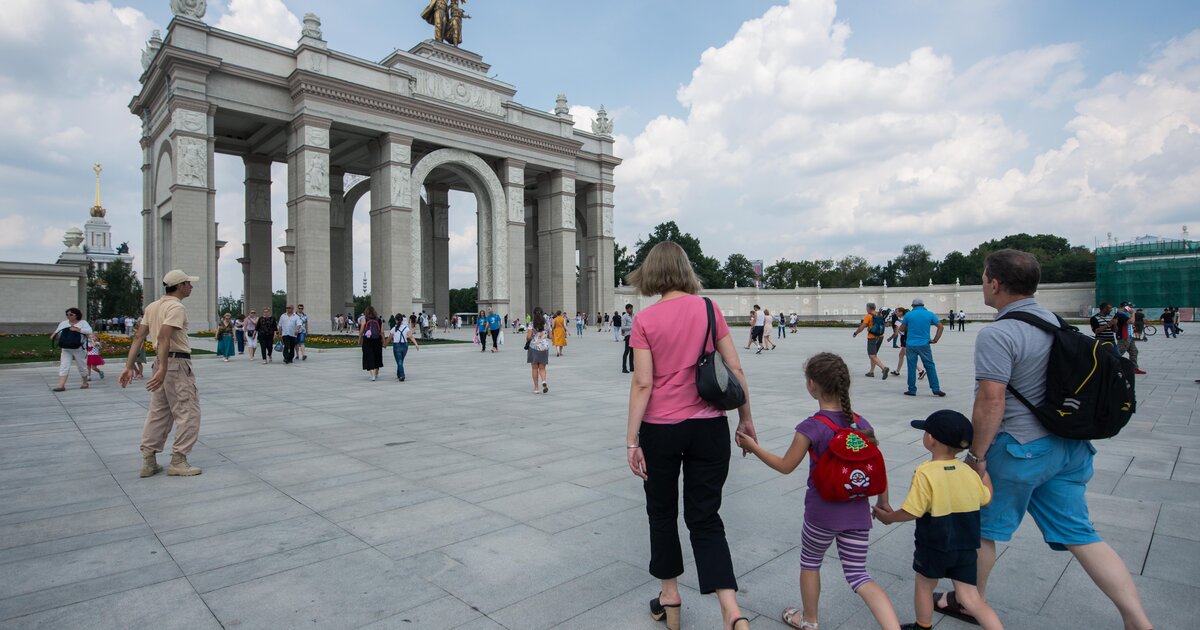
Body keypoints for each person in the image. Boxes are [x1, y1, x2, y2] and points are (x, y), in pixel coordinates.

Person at [962, 249, 1152, 629]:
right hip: (1068, 448)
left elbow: (991, 400)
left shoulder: (998, 333)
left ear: (995, 284)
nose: (983, 283)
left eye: (984, 277)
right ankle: (1138, 621)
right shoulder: (1055, 322)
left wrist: (977, 457)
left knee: (982, 530)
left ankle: (973, 604)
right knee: (1082, 534)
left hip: (1019, 450)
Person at [624, 241, 757, 630]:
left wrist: (632, 441)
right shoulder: (708, 308)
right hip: (709, 427)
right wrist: (745, 420)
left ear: (650, 274)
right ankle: (732, 611)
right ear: (686, 269)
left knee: (661, 513)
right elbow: (735, 369)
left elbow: (643, 383)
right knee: (706, 516)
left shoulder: (645, 320)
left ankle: (670, 597)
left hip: (661, 431)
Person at [736, 352, 901, 630]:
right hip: (857, 515)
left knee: (811, 563)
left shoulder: (812, 427)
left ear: (811, 385)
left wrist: (753, 447)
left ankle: (810, 621)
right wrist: (883, 503)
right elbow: (877, 468)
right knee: (860, 576)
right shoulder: (863, 425)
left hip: (820, 514)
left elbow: (785, 466)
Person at [873, 411, 1002, 630]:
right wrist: (983, 472)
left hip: (934, 545)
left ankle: (922, 626)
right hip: (967, 546)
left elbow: (912, 510)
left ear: (931, 439)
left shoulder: (926, 472)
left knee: (925, 585)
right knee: (971, 598)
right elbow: (987, 498)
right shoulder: (968, 472)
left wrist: (889, 518)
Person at [119, 269, 203, 477]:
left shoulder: (152, 307)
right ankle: (179, 460)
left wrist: (128, 366)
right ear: (180, 286)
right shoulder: (176, 307)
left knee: (159, 413)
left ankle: (149, 460)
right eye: (189, 283)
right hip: (175, 364)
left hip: (161, 362)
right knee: (188, 412)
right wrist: (164, 368)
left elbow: (139, 337)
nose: (191, 286)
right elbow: (165, 337)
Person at [899, 298, 945, 397]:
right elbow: (940, 326)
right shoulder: (929, 314)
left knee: (911, 367)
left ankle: (912, 390)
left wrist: (909, 327)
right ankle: (935, 389)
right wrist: (935, 339)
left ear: (912, 306)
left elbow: (901, 329)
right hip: (924, 344)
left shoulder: (908, 315)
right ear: (923, 305)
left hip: (911, 344)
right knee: (930, 366)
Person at [51, 307, 92, 392]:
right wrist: (54, 336)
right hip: (66, 348)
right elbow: (57, 332)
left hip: (79, 348)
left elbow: (89, 331)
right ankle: (61, 385)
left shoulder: (83, 323)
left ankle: (85, 382)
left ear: (76, 315)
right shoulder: (64, 323)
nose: (68, 316)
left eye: (70, 314)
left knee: (82, 366)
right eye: (67, 314)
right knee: (64, 365)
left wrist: (78, 329)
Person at [852, 302, 890, 380]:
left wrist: (856, 333)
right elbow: (887, 324)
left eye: (866, 307)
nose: (866, 309)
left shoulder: (868, 316)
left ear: (869, 308)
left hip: (872, 337)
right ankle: (871, 372)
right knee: (874, 355)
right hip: (880, 337)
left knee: (872, 355)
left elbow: (862, 326)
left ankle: (884, 368)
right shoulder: (880, 314)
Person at [1114, 302, 1146, 374]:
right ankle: (1111, 367)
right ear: (1125, 307)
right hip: (1124, 337)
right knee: (1119, 353)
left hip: (1129, 336)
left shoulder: (1124, 314)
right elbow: (1131, 321)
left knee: (1134, 351)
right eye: (1130, 307)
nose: (1131, 308)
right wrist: (1132, 313)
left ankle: (1134, 368)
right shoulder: (1120, 314)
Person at [527, 306, 551, 393]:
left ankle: (536, 388)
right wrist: (545, 335)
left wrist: (529, 339)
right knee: (542, 367)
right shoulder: (547, 323)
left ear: (533, 314)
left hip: (534, 347)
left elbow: (529, 337)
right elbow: (551, 336)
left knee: (534, 368)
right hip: (544, 347)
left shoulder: (531, 323)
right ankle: (544, 381)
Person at [388, 312, 418, 381]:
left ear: (396, 320)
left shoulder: (394, 329)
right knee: (401, 360)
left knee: (399, 361)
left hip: (397, 346)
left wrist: (385, 344)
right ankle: (399, 374)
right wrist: (416, 344)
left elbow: (389, 338)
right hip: (405, 346)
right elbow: (411, 336)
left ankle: (402, 375)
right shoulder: (406, 328)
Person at [359, 306, 384, 381]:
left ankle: (372, 375)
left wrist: (360, 339)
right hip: (377, 340)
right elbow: (382, 332)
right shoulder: (379, 320)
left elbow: (361, 331)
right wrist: (383, 340)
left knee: (368, 356)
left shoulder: (365, 319)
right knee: (377, 356)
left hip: (367, 340)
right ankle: (376, 373)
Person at [620, 302, 635, 373]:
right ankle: (624, 368)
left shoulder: (634, 316)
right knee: (627, 351)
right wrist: (631, 327)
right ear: (626, 309)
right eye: (630, 309)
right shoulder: (624, 317)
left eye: (632, 308)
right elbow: (623, 327)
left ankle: (632, 367)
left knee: (632, 352)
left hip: (634, 336)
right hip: (628, 335)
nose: (631, 310)